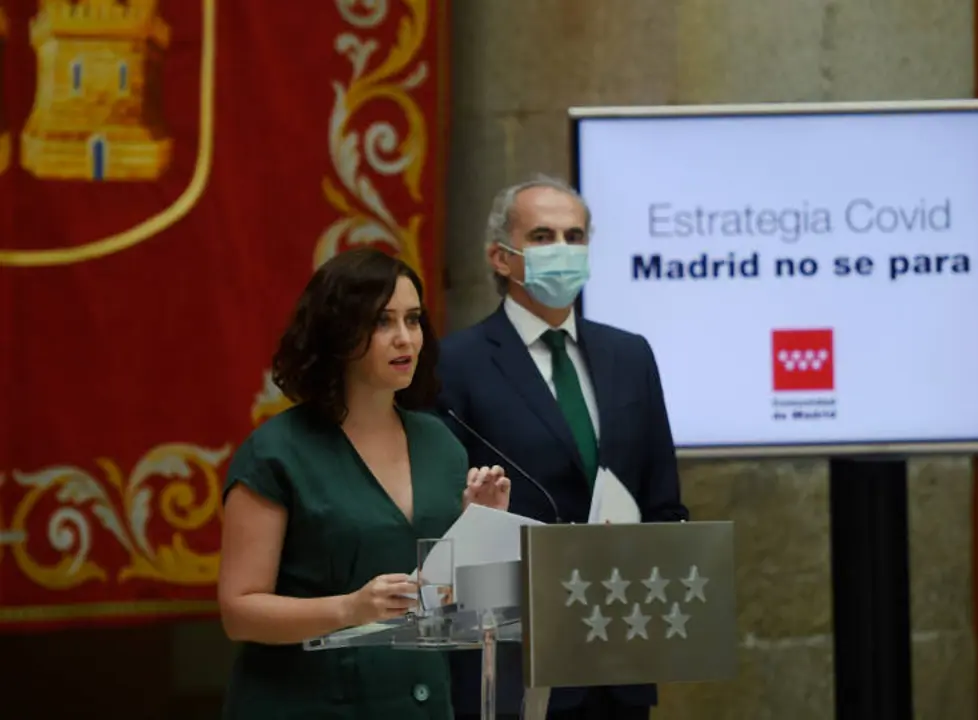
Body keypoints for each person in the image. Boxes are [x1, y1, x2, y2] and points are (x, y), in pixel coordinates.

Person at [217, 248, 512, 719]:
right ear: (337, 334)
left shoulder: (440, 443)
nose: (405, 339)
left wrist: (485, 526)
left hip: (422, 702)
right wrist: (349, 608)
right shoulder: (276, 452)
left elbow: (447, 603)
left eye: (413, 320)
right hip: (307, 705)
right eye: (382, 322)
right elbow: (239, 612)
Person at [438, 175, 689, 720]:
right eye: (543, 235)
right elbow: (446, 518)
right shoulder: (456, 364)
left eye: (575, 237)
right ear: (501, 258)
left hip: (619, 648)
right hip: (515, 655)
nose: (563, 251)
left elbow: (663, 501)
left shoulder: (630, 355)